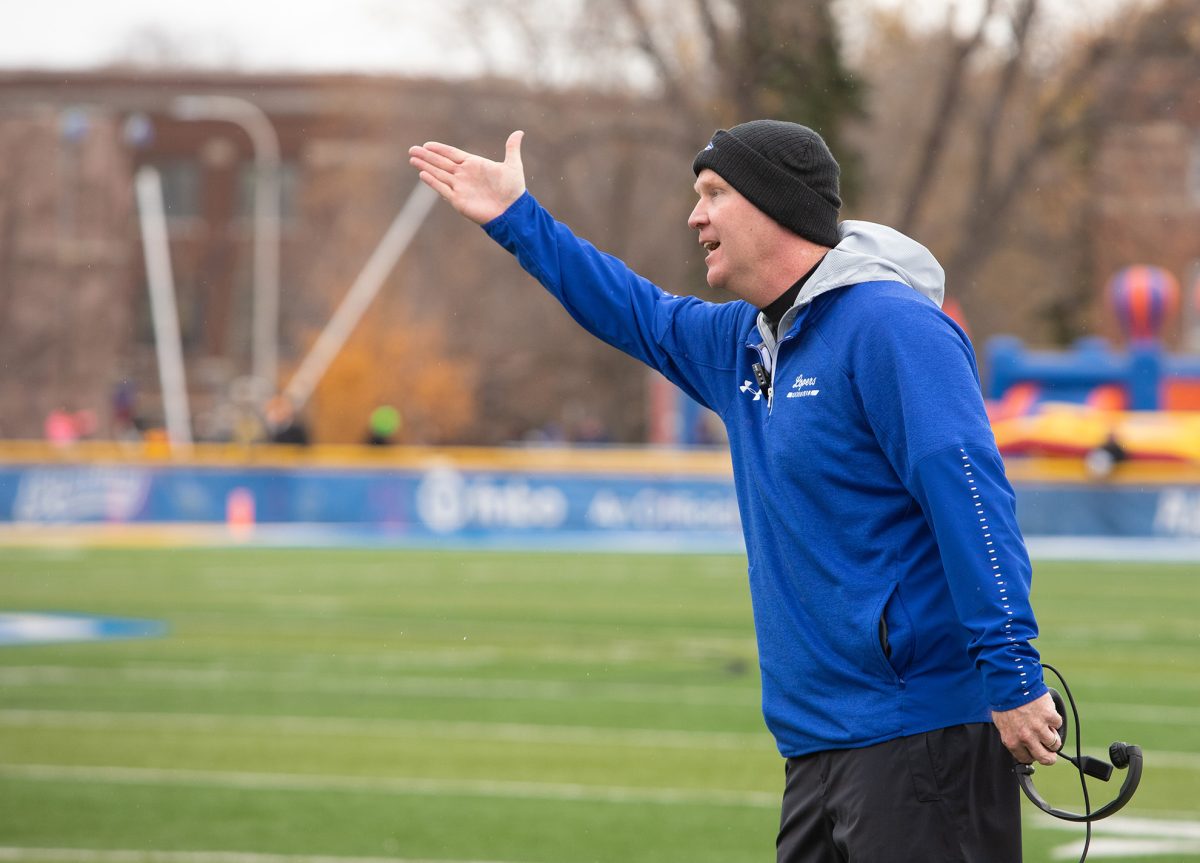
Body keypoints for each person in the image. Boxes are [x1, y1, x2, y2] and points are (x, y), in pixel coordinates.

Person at [409, 121, 1062, 862]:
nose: (696, 216)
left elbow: (970, 495)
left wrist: (1012, 674)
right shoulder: (742, 346)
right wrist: (516, 219)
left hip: (921, 738)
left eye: (715, 194)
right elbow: (632, 309)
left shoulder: (891, 327)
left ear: (774, 207)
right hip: (814, 746)